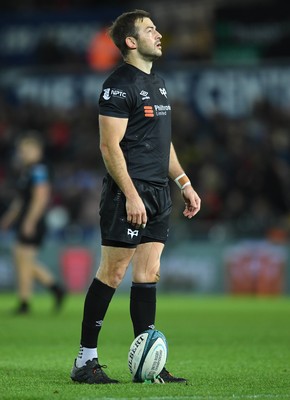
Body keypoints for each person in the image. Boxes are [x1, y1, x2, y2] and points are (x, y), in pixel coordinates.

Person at [70, 9, 201, 384]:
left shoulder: (157, 83)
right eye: (149, 29)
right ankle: (85, 361)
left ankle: (149, 365)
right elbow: (109, 147)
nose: (158, 34)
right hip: (129, 191)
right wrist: (130, 194)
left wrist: (184, 182)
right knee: (113, 272)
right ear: (131, 41)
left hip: (160, 191)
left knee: (149, 273)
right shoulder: (118, 84)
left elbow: (164, 144)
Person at [0, 132, 66, 314]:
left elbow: (41, 197)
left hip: (33, 219)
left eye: (26, 150)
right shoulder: (29, 170)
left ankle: (24, 302)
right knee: (22, 258)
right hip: (26, 218)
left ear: (38, 150)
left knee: (24, 259)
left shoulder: (39, 170)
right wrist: (9, 219)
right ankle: (55, 288)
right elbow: (21, 200)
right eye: (21, 151)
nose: (23, 154)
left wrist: (30, 221)